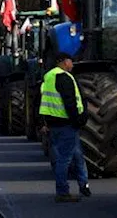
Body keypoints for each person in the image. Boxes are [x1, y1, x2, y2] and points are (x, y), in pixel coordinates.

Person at [38, 52, 90, 202]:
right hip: (66, 123)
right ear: (63, 62)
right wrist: (78, 120)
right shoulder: (64, 78)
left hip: (54, 124)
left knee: (75, 155)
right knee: (65, 159)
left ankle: (83, 184)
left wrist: (44, 123)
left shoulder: (49, 77)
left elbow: (44, 101)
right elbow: (70, 102)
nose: (72, 64)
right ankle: (62, 191)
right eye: (70, 61)